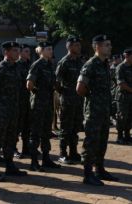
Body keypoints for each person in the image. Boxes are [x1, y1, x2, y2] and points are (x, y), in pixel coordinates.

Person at [77, 34, 119, 186]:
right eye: (107, 45)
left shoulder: (105, 64)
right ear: (97, 47)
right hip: (93, 111)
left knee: (102, 141)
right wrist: (92, 98)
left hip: (104, 110)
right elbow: (80, 88)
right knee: (91, 142)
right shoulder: (90, 64)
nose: (110, 47)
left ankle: (99, 170)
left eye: (109, 44)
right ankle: (87, 175)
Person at [0, 41, 28, 182]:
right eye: (15, 50)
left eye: (18, 50)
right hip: (1, 110)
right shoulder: (0, 68)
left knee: (11, 138)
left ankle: (10, 165)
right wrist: (0, 102)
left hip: (14, 109)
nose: (18, 53)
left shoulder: (17, 67)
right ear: (6, 52)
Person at [27, 42, 61, 172]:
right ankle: (34, 162)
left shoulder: (50, 65)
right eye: (48, 49)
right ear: (41, 51)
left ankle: (46, 159)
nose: (51, 51)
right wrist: (38, 92)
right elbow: (29, 84)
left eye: (51, 48)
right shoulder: (37, 65)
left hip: (48, 103)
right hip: (38, 104)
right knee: (35, 133)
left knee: (46, 132)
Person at [55, 36, 84, 164]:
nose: (79, 47)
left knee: (75, 127)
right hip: (67, 99)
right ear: (70, 47)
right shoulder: (64, 62)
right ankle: (62, 153)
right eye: (76, 45)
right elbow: (56, 82)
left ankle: (73, 152)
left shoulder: (80, 61)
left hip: (78, 100)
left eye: (79, 45)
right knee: (65, 128)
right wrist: (64, 93)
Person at [14, 44, 31, 158]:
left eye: (28, 52)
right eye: (25, 51)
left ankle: (26, 147)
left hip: (27, 100)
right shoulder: (16, 66)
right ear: (20, 53)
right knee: (16, 126)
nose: (28, 54)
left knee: (27, 126)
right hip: (18, 100)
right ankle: (14, 149)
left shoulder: (29, 65)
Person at [115, 48, 132, 144]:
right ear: (127, 56)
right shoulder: (120, 67)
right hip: (123, 96)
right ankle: (120, 136)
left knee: (129, 116)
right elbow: (121, 84)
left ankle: (127, 135)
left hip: (130, 96)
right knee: (122, 116)